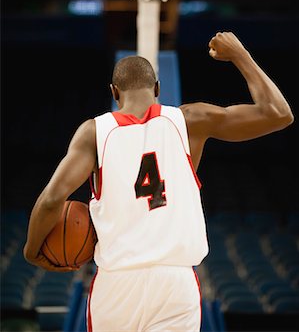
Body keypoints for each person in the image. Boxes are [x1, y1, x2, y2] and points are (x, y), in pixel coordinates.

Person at [24, 31, 294, 331]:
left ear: (114, 92)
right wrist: (240, 54)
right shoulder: (191, 120)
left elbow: (51, 200)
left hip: (116, 283)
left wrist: (32, 250)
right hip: (175, 284)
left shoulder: (94, 132)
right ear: (157, 88)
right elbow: (279, 114)